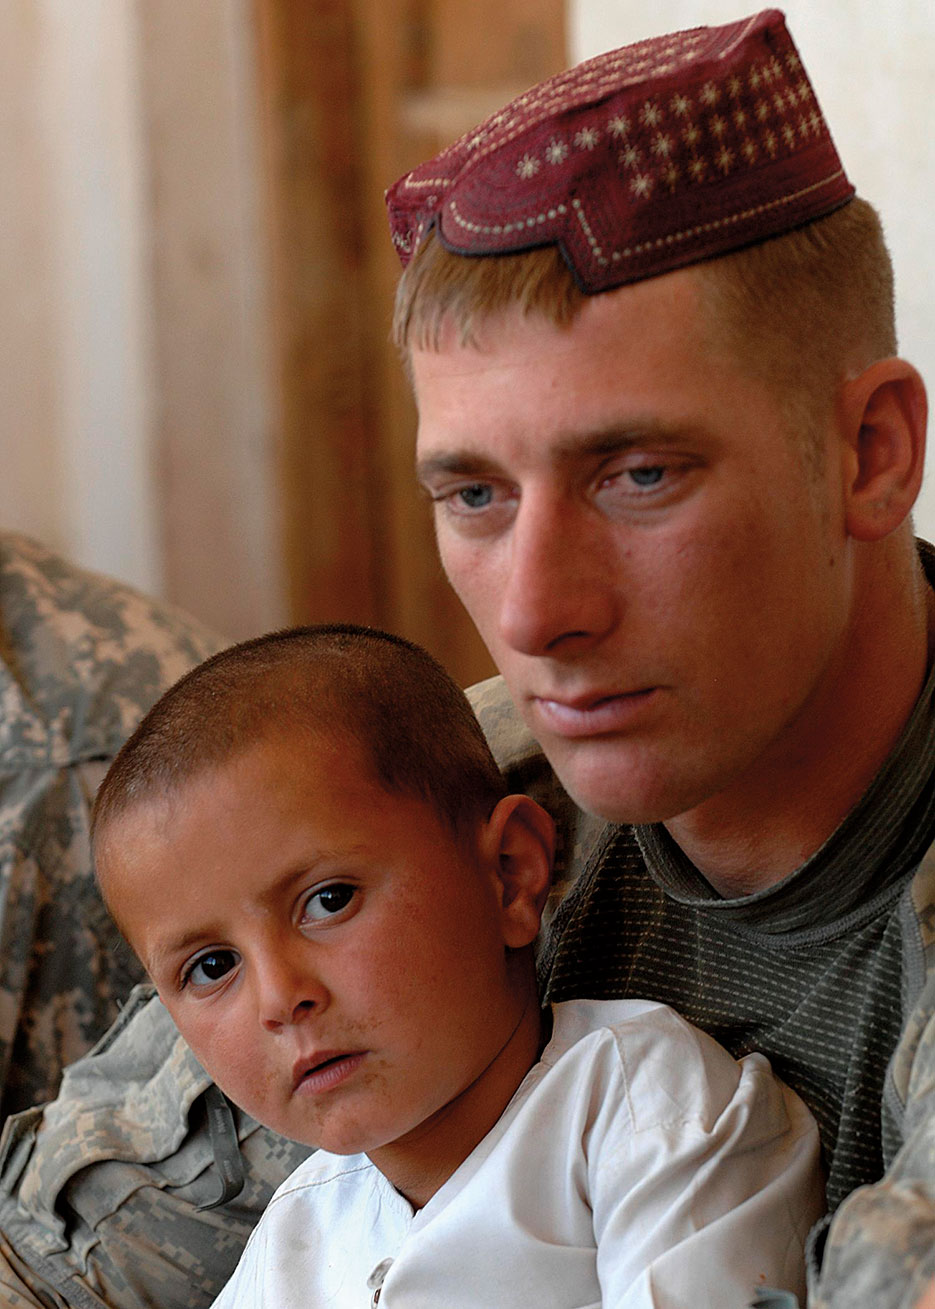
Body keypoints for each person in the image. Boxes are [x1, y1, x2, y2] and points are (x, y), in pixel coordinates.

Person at [0, 9, 928, 1308]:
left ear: (868, 453)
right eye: (474, 497)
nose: (537, 610)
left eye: (639, 473)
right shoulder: (436, 809)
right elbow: (53, 1264)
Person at [90, 624, 822, 1308]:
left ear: (507, 873)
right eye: (212, 965)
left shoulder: (643, 1114)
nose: (281, 998)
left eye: (329, 899)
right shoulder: (295, 1235)